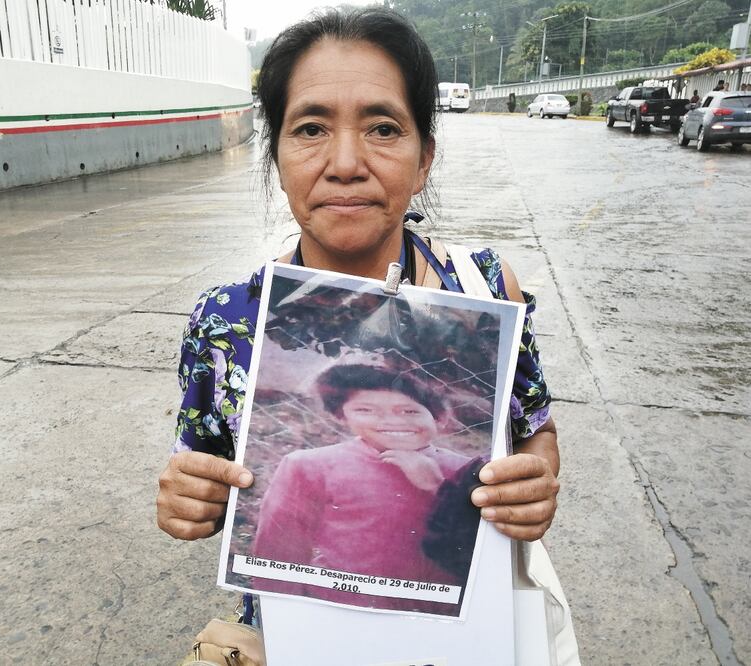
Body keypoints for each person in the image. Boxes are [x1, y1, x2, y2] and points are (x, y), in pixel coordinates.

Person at [156, 5, 574, 660]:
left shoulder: (487, 290)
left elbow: (534, 428)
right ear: (276, 153)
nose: (344, 162)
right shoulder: (226, 321)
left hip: (467, 640)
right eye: (311, 128)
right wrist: (189, 500)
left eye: (382, 127)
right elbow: (203, 472)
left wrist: (537, 478)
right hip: (299, 640)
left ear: (423, 158)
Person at [250, 364, 479, 615]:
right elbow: (280, 552)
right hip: (342, 611)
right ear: (341, 415)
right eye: (366, 410)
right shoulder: (309, 465)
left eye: (410, 410)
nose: (392, 421)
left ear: (439, 417)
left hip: (439, 614)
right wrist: (281, 615)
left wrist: (439, 487)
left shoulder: (466, 471)